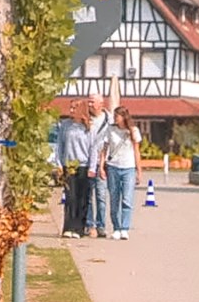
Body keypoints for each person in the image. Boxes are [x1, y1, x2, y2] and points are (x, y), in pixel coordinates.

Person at [100, 106, 143, 240]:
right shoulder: (110, 130)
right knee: (114, 198)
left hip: (128, 167)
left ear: (124, 117)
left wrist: (139, 171)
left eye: (117, 116)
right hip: (113, 167)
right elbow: (104, 149)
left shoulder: (133, 131)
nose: (115, 118)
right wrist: (101, 167)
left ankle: (125, 227)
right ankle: (116, 227)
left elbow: (136, 151)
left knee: (127, 199)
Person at [59, 102, 101, 238]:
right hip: (69, 165)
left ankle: (78, 228)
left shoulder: (89, 128)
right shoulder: (65, 125)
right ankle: (68, 227)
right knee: (70, 197)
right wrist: (59, 163)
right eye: (70, 107)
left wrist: (92, 167)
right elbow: (61, 145)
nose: (71, 110)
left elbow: (93, 148)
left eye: (74, 108)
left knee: (82, 198)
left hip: (84, 165)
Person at [84, 94, 112, 238]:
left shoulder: (109, 120)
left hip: (102, 163)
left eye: (92, 102)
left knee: (101, 195)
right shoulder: (85, 119)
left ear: (101, 103)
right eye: (88, 102)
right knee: (88, 196)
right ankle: (89, 224)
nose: (89, 105)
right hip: (87, 162)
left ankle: (101, 225)